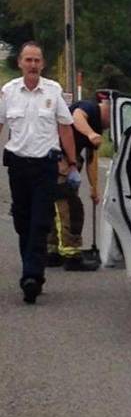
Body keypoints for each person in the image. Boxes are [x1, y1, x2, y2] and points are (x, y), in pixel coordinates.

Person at [0, 41, 78, 303]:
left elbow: (65, 127)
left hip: (46, 166)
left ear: (42, 64)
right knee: (23, 222)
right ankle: (32, 272)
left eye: (37, 60)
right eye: (28, 60)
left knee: (40, 222)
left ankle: (31, 276)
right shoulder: (8, 92)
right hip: (19, 166)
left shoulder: (53, 91)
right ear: (20, 63)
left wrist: (72, 162)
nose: (32, 65)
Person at [47, 92, 110, 271]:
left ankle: (54, 251)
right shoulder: (89, 108)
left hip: (69, 163)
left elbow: (92, 157)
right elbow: (76, 117)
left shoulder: (98, 124)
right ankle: (70, 254)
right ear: (107, 108)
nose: (111, 124)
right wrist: (90, 134)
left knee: (64, 207)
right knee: (65, 208)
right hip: (58, 159)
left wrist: (94, 188)